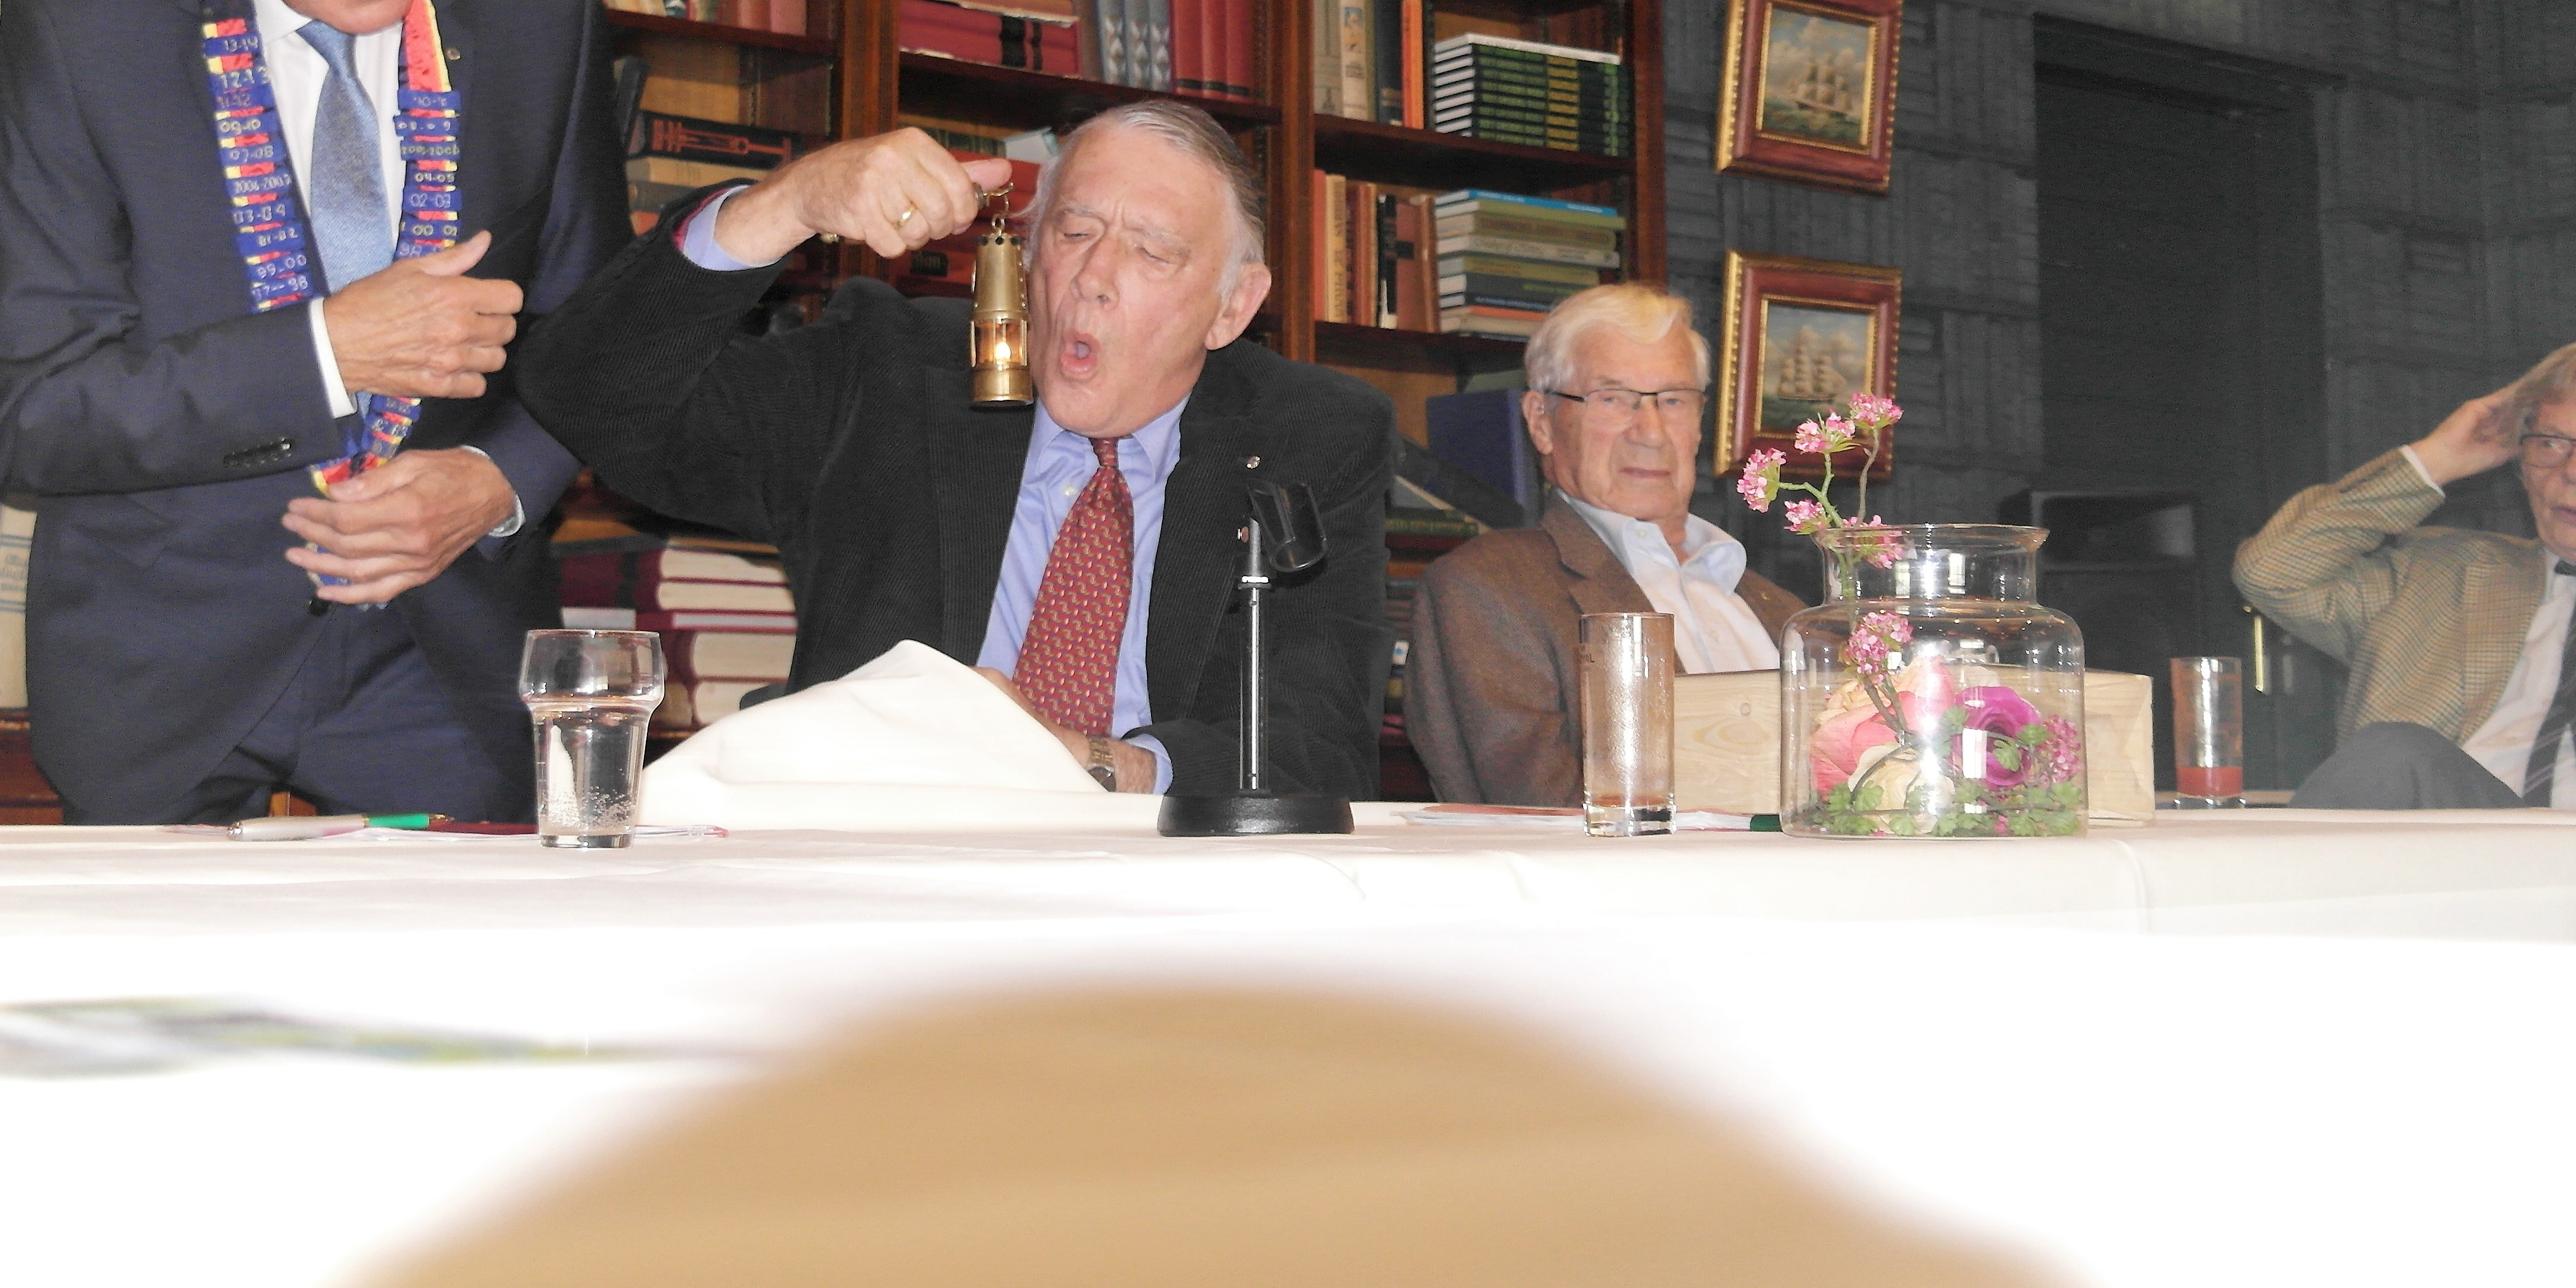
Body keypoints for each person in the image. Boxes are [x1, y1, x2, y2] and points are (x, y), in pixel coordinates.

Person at [0, 0, 626, 823]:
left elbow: (599, 334)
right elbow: (34, 419)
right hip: (163, 661)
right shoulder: (77, 30)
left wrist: (495, 482)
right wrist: (328, 350)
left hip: (446, 648)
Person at [515, 100, 1395, 800]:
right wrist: (785, 206)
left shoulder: (1310, 436)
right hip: (886, 872)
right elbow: (589, 395)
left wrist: (1091, 766)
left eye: (1152, 252)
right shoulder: (889, 371)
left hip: (1170, 896)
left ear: (1233, 307)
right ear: (1028, 252)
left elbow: (1318, 751)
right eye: (1074, 232)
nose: (1093, 277)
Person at [2236, 337, 2576, 808]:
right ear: (2520, 465)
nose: (2574, 471)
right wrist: (2436, 459)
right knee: (2395, 754)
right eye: (2550, 444)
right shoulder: (2431, 579)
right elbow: (2272, 571)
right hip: (2461, 866)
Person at [1405, 283, 1803, 805]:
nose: (1651, 432)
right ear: (1542, 422)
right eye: (1612, 399)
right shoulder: (1490, 589)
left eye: (1673, 400)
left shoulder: (1785, 611)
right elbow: (1543, 814)